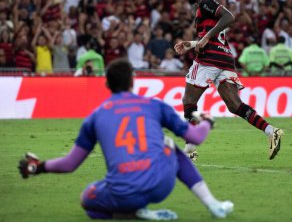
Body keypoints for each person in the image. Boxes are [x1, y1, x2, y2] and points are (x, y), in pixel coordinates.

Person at [18, 58, 233, 220]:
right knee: (169, 145)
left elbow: (69, 164)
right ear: (133, 81)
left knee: (88, 200)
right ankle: (213, 204)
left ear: (107, 85)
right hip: (161, 184)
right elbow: (195, 136)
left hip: (122, 192)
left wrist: (40, 167)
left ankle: (129, 212)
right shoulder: (154, 105)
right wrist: (207, 121)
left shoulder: (95, 116)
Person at [174, 0, 284, 161]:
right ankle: (271, 131)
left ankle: (189, 152)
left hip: (209, 59)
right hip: (224, 59)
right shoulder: (205, 6)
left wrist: (205, 38)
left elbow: (229, 17)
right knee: (235, 105)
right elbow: (214, 36)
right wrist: (192, 43)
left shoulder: (205, 2)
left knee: (188, 101)